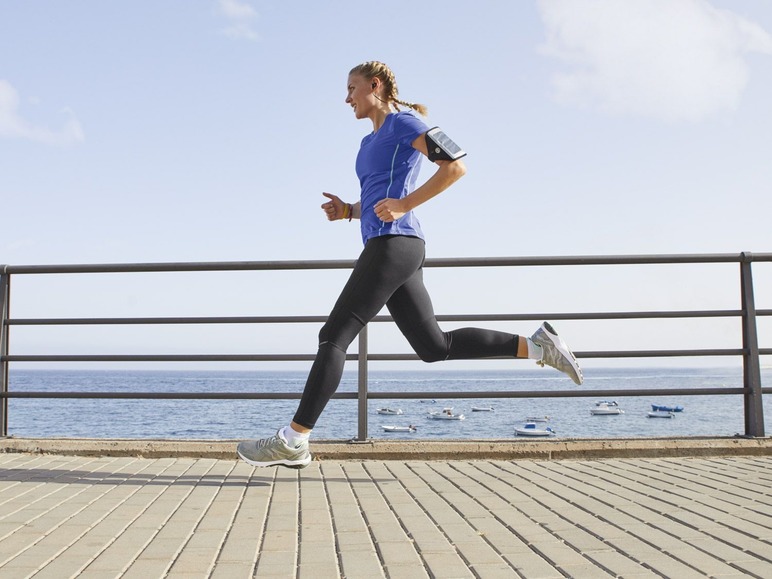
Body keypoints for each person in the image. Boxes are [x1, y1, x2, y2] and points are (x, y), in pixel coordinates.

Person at [237, 61, 582, 469]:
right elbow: (380, 196)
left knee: (334, 335)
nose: (346, 98)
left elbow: (455, 166)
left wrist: (405, 205)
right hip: (393, 246)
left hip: (394, 245)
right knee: (434, 347)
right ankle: (538, 346)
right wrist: (349, 210)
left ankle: (294, 439)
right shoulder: (369, 143)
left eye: (352, 88)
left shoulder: (406, 123)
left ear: (375, 85)